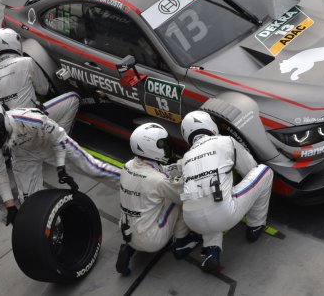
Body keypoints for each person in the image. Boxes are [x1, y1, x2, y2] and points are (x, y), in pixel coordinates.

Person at [0, 99, 120, 225]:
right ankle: (56, 230)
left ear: (4, 120)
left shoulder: (32, 119)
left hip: (50, 145)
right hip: (23, 155)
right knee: (30, 205)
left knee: (94, 169)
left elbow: (59, 139)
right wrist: (10, 206)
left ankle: (130, 183)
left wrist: (61, 168)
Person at [179, 110, 273, 273]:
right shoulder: (226, 141)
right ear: (210, 125)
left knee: (207, 195)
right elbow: (249, 168)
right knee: (264, 171)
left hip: (192, 220)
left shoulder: (185, 157)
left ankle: (212, 250)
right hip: (224, 214)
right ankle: (255, 225)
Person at [115, 123, 202, 276]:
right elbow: (183, 194)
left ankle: (130, 247)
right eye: (163, 144)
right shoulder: (158, 180)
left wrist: (178, 166)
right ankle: (181, 242)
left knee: (148, 200)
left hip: (126, 231)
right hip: (152, 240)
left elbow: (157, 173)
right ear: (150, 147)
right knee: (182, 198)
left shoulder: (128, 166)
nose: (166, 147)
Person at [0, 28, 80, 133]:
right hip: (31, 120)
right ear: (16, 43)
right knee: (74, 98)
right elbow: (44, 90)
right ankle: (60, 138)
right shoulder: (26, 62)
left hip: (12, 128)